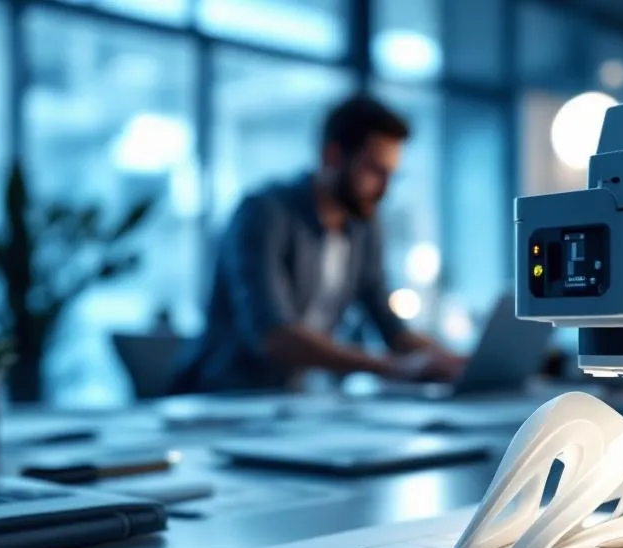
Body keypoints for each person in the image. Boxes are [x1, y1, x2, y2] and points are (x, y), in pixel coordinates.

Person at [174, 94, 465, 394]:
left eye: (391, 175)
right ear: (333, 157)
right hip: (222, 398)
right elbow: (275, 337)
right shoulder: (264, 212)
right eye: (374, 171)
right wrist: (392, 367)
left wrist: (452, 362)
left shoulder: (363, 226)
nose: (384, 189)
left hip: (293, 402)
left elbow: (391, 328)